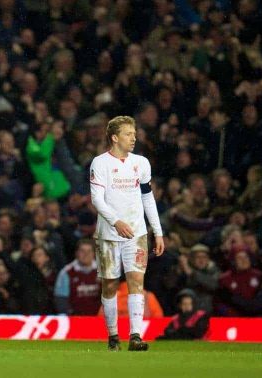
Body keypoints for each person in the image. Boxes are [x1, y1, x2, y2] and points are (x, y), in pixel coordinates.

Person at [89, 115, 165, 351]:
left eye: (134, 133)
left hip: (137, 232)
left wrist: (158, 231)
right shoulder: (99, 163)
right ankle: (113, 336)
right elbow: (96, 199)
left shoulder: (141, 163)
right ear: (114, 137)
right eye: (128, 134)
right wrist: (116, 221)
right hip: (108, 234)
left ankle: (135, 336)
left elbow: (147, 197)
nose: (134, 138)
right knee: (110, 286)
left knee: (136, 282)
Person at [54, 239, 102, 315]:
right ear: (77, 253)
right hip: (75, 319)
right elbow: (61, 300)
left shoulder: (103, 271)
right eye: (82, 251)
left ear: (94, 254)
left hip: (99, 319)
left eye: (89, 251)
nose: (86, 254)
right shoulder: (66, 272)